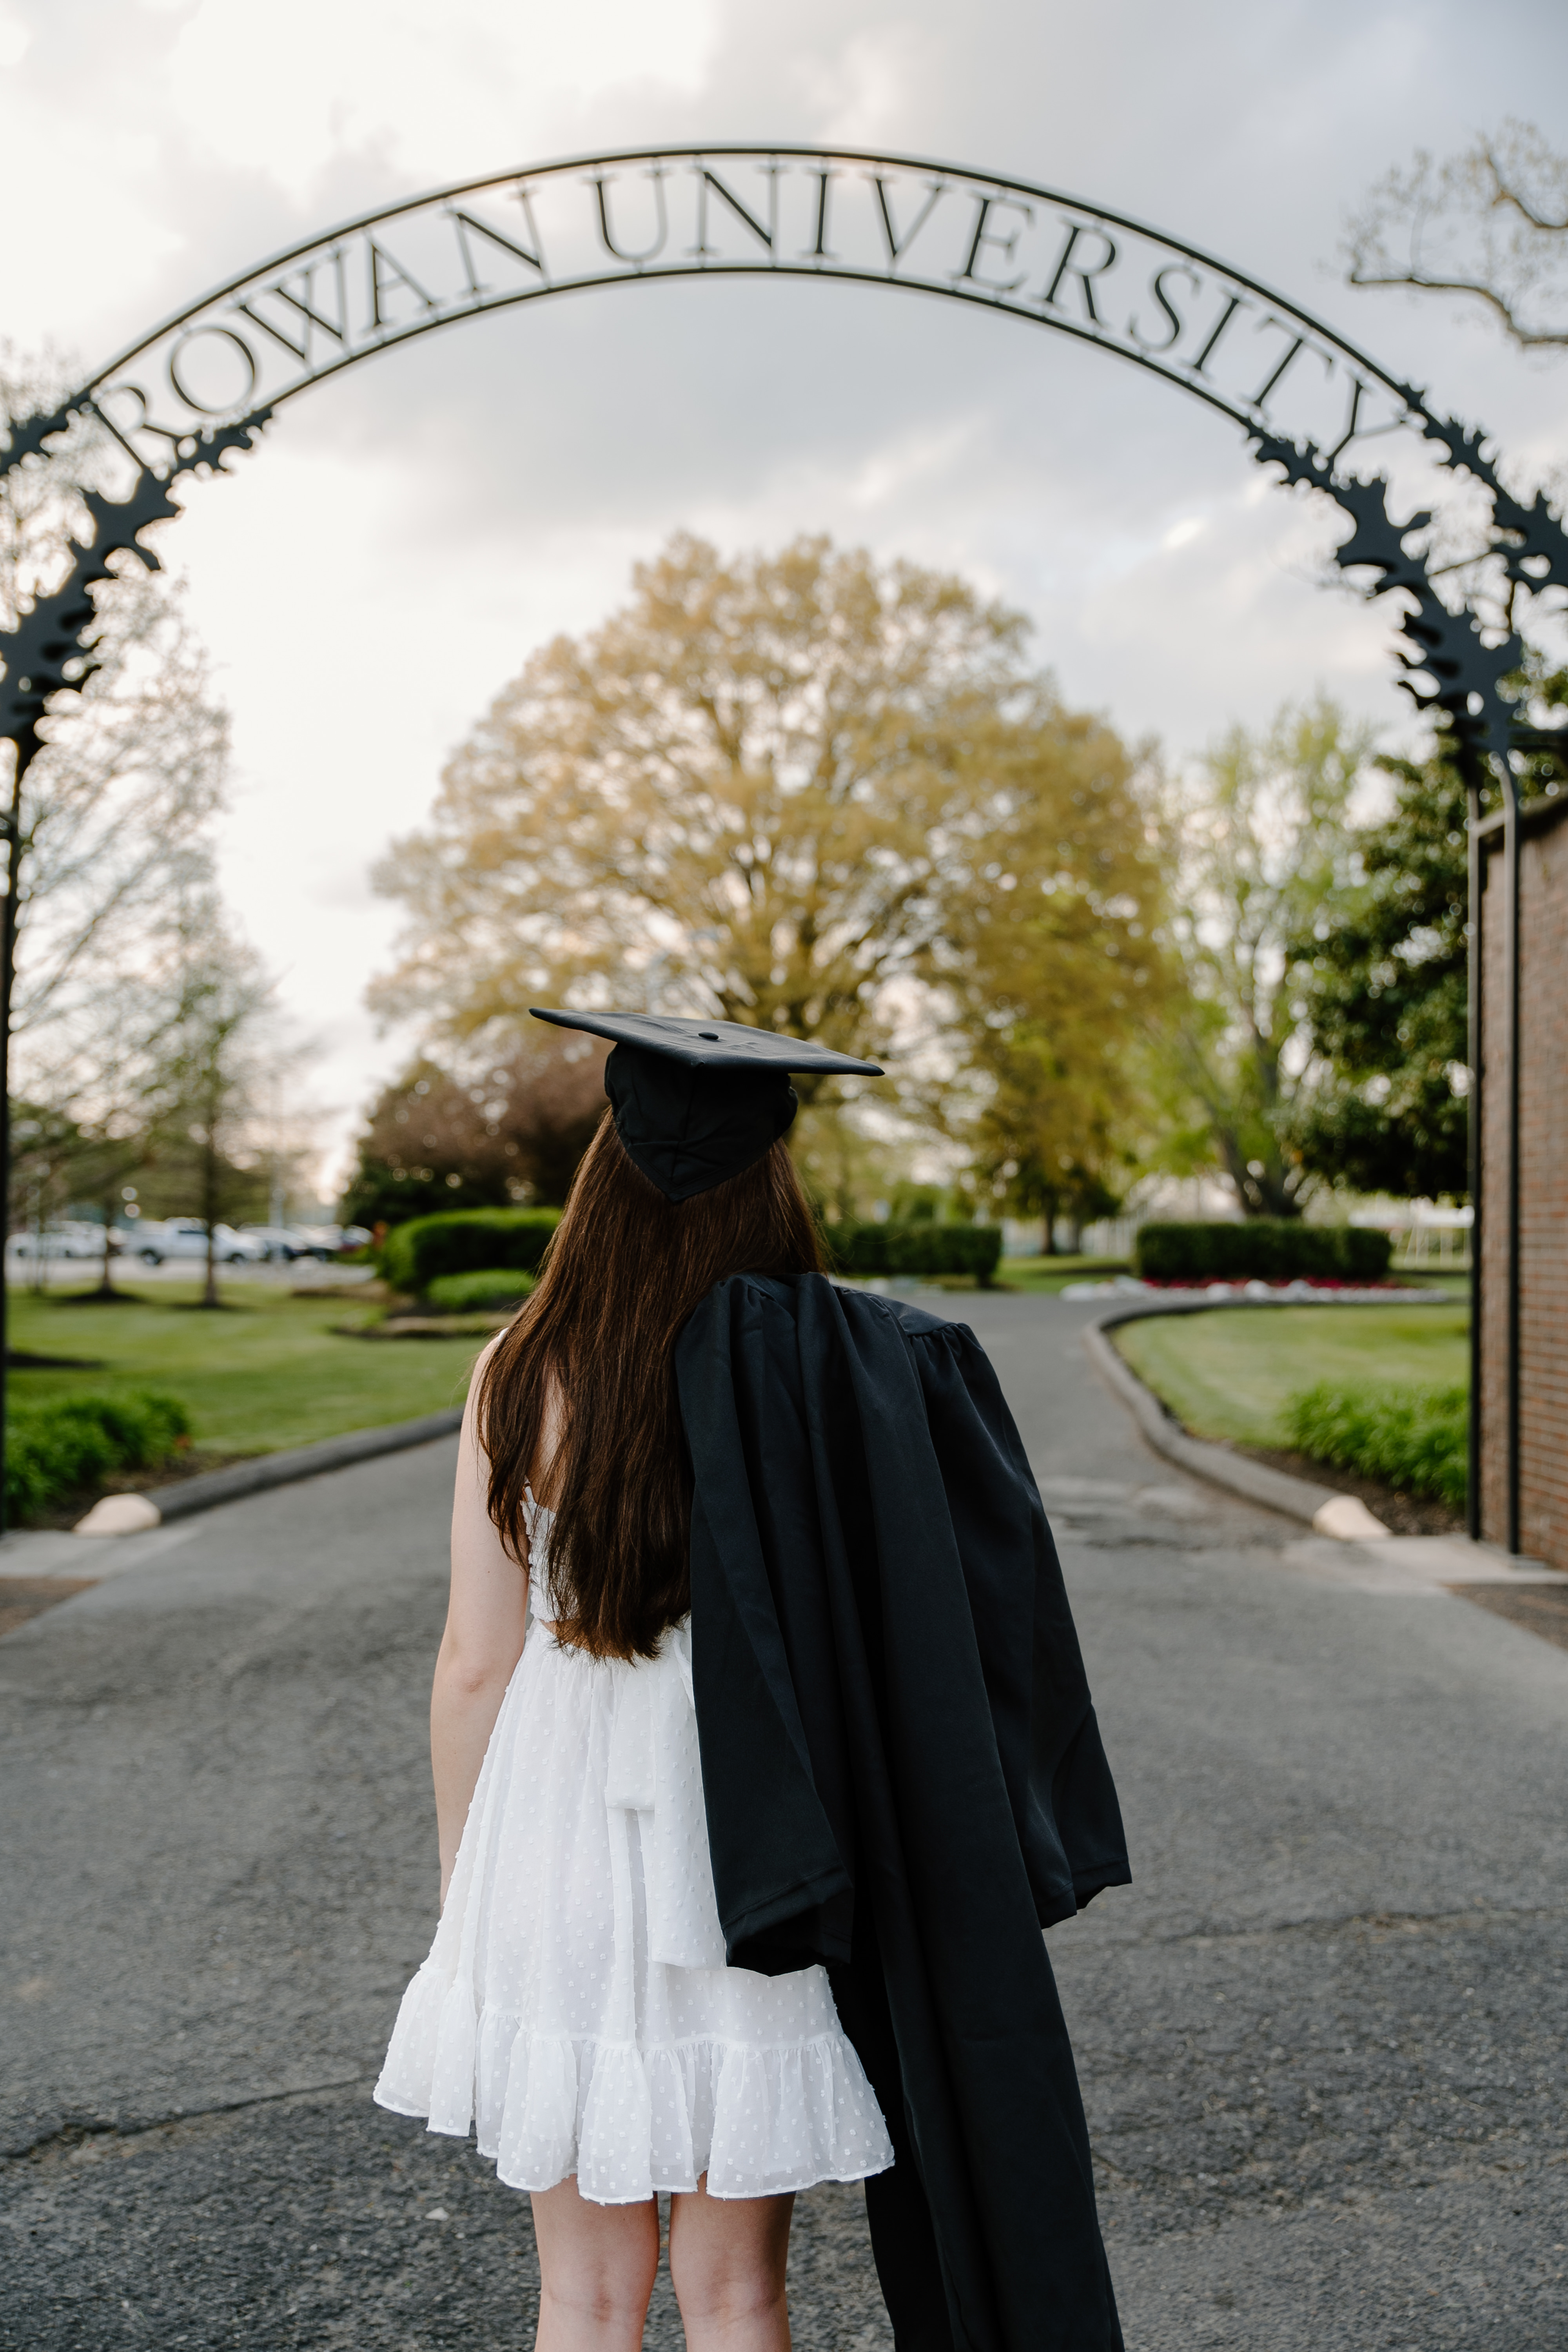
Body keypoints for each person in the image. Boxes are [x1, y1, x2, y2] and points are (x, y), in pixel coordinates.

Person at [378, 1009, 1131, 2352]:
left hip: (546, 1844)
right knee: (736, 2292)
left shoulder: (518, 1367)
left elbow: (474, 1660)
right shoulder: (826, 1372)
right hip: (746, 1840)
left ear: (602, 1171)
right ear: (771, 1178)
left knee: (583, 2295)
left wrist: (464, 1884)